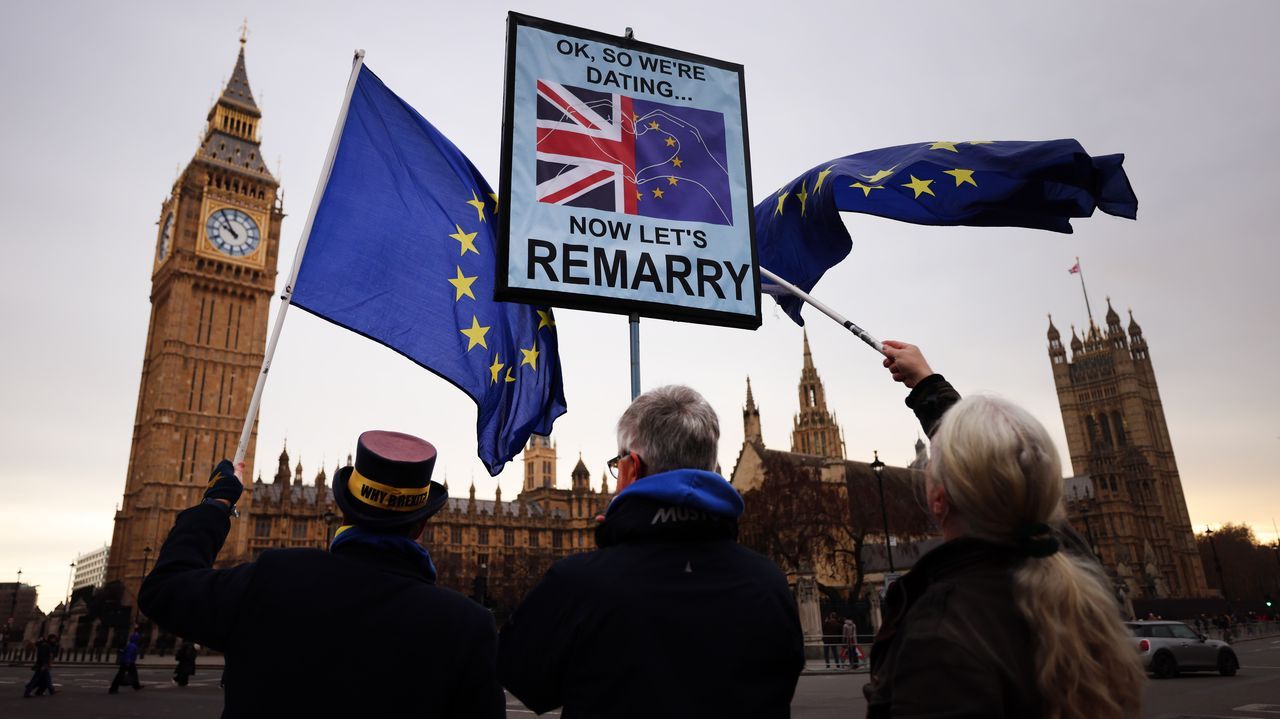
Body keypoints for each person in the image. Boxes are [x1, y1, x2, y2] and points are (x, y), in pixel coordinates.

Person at [864, 341, 1146, 718]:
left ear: (939, 500)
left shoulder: (942, 634)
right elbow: (1009, 474)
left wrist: (929, 385)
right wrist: (929, 385)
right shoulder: (1078, 578)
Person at [139, 430, 505, 718]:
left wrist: (216, 504)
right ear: (422, 525)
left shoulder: (274, 578)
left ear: (344, 511)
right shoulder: (466, 625)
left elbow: (165, 589)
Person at [499, 385, 805, 717]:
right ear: (710, 468)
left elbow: (524, 679)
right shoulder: (770, 584)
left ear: (630, 469)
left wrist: (616, 547)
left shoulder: (578, 583)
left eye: (618, 466)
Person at [23, 634, 57, 698]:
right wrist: (44, 665)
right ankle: (27, 692)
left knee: (45, 679)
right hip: (42, 665)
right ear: (50, 639)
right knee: (36, 679)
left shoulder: (47, 645)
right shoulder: (45, 646)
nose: (55, 640)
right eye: (54, 639)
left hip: (44, 665)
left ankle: (42, 691)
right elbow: (42, 656)